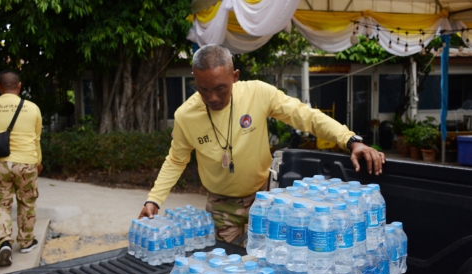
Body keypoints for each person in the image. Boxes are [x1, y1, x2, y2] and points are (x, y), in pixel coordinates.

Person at [139, 44, 385, 243]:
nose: (212, 98)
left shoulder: (258, 93)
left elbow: (306, 116)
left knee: (267, 265)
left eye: (221, 89)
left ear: (235, 77)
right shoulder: (185, 116)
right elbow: (176, 160)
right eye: (204, 90)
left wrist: (351, 140)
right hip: (222, 207)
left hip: (265, 198)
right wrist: (154, 200)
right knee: (228, 269)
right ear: (194, 79)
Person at [0, 70, 43, 266]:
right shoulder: (32, 108)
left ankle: (3, 241)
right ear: (19, 86)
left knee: (1, 203)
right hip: (26, 162)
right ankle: (26, 242)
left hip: (0, 163)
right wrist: (38, 162)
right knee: (27, 201)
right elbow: (37, 139)